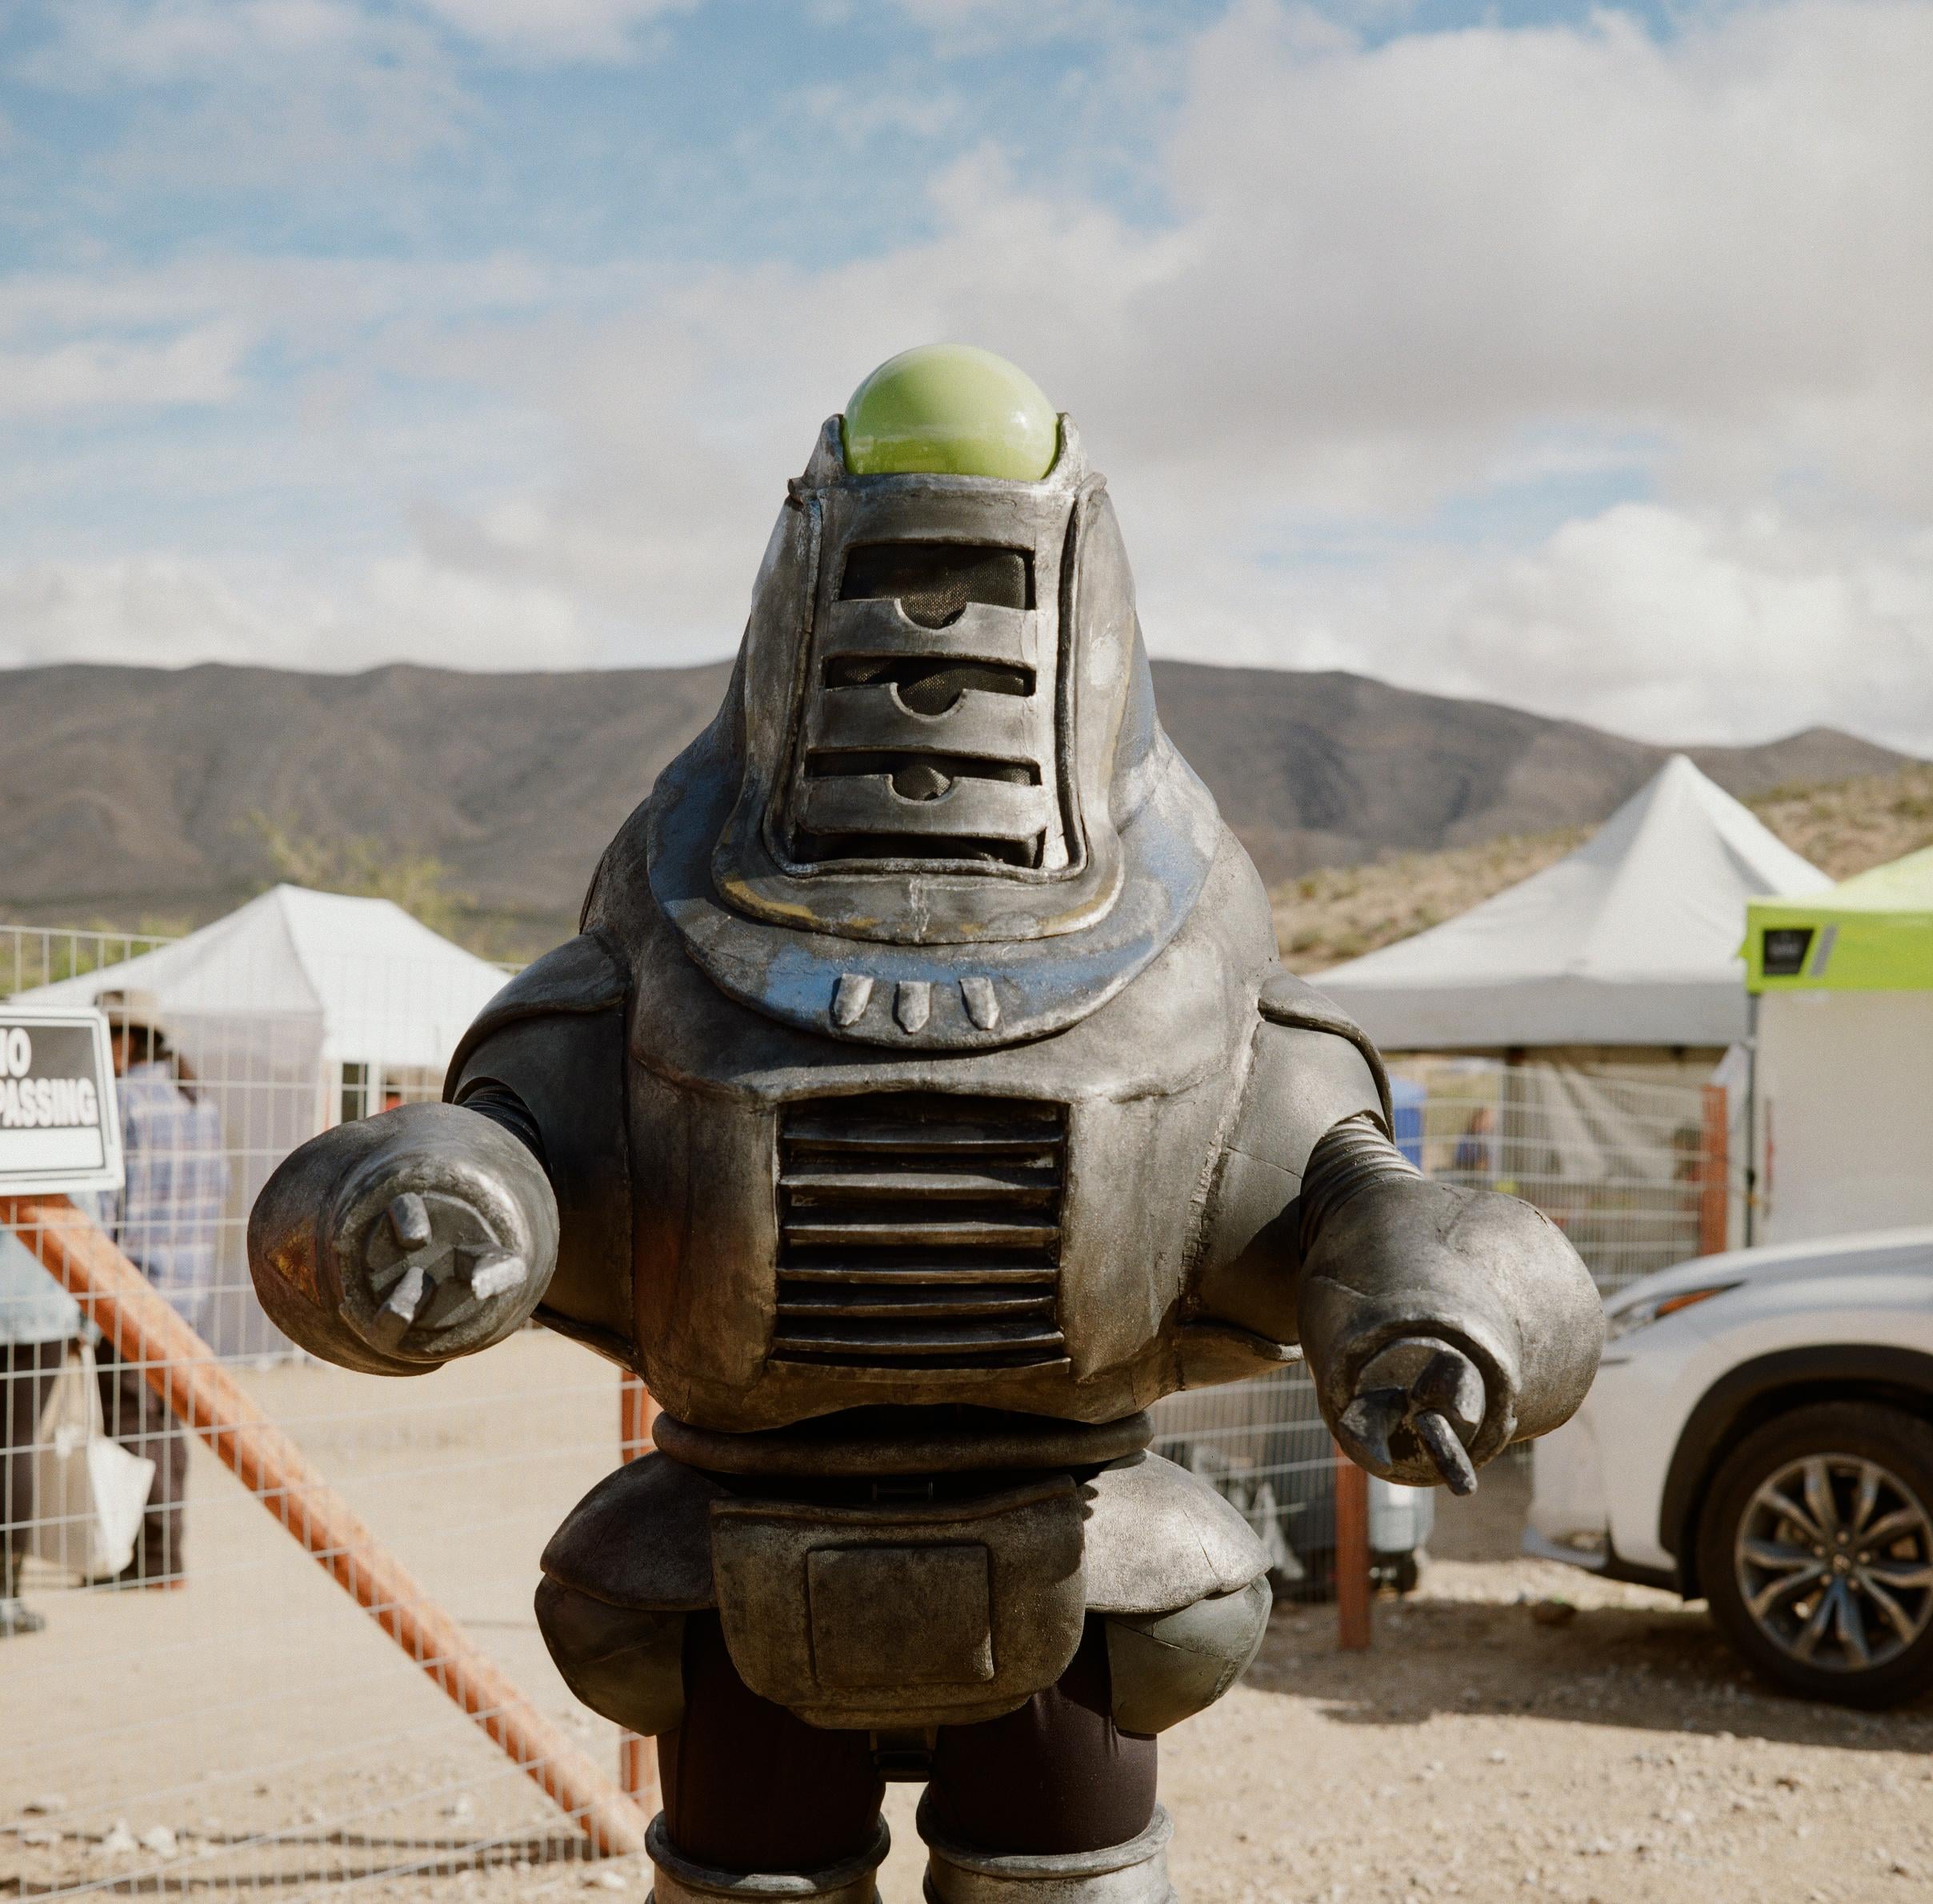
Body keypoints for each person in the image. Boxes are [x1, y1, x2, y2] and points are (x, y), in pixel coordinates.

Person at [95, 988, 227, 1588]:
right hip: (187, 1293)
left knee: (129, 1423)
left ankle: (142, 1557)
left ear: (125, 1040)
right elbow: (220, 1188)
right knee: (166, 1422)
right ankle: (164, 1555)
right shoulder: (196, 1100)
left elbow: (106, 1207)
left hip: (131, 1290)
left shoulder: (122, 1100)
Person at [0, 1227, 82, 1636]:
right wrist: (87, 1319)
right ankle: (5, 1596)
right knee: (15, 1445)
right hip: (39, 1304)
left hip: (39, 1305)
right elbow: (84, 1226)